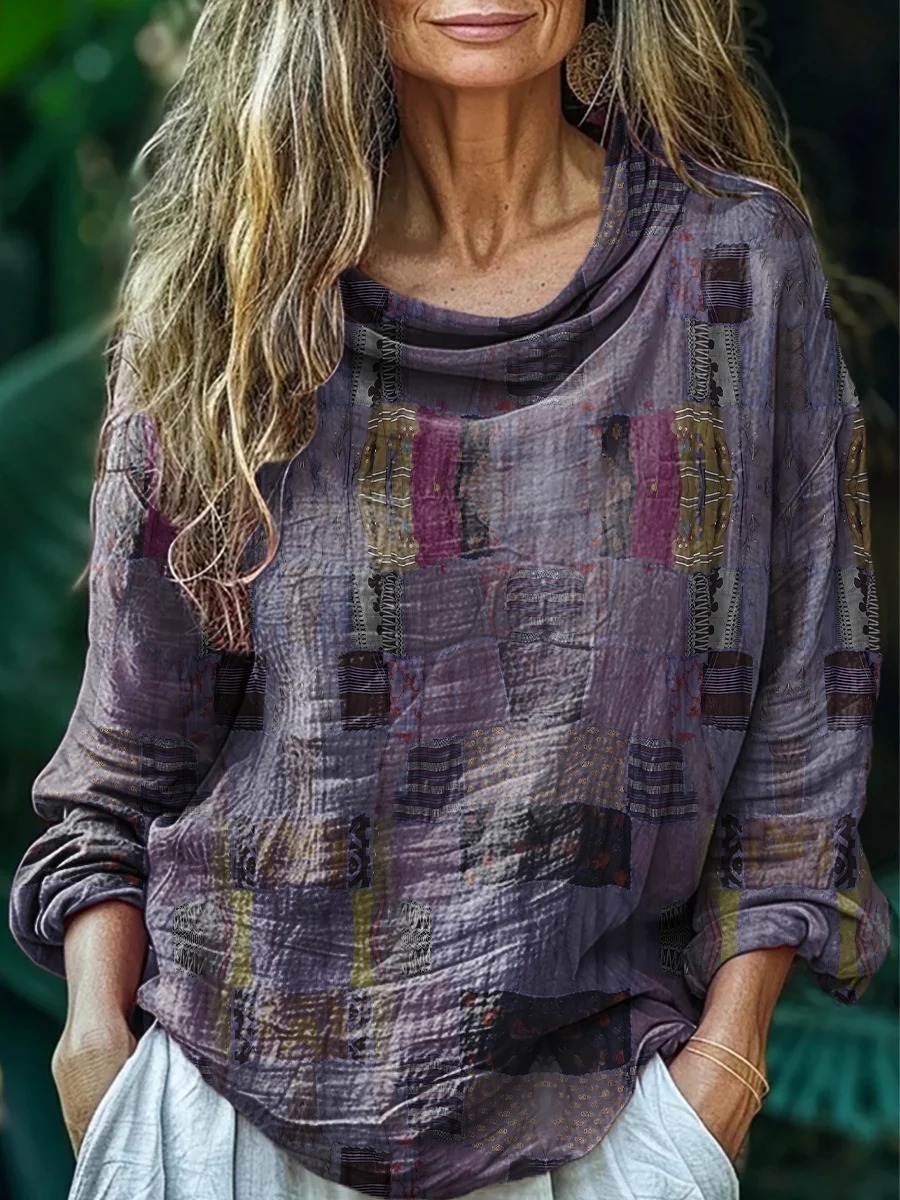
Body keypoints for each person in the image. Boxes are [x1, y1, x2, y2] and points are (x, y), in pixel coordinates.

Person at [8, 0, 891, 1197]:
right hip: (223, 1112)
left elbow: (805, 717)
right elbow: (125, 759)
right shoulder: (235, 288)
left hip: (607, 1121)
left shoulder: (730, 272)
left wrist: (725, 1068)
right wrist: (95, 1042)